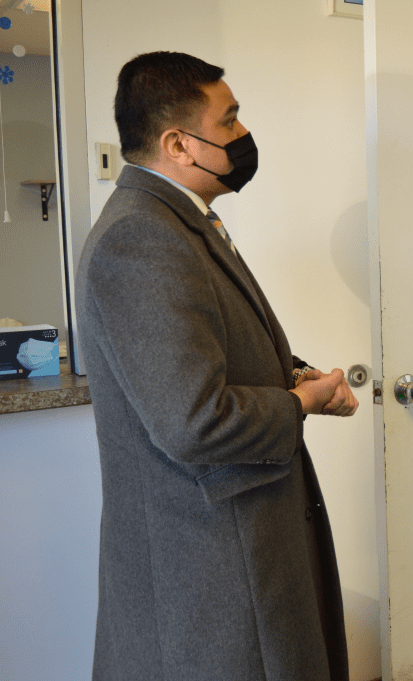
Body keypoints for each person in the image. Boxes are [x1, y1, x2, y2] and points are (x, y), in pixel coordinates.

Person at [76, 52, 357, 681]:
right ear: (178, 143)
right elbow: (193, 420)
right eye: (228, 120)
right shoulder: (141, 238)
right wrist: (300, 405)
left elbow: (210, 350)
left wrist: (294, 375)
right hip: (213, 558)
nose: (241, 135)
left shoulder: (179, 220)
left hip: (234, 537)